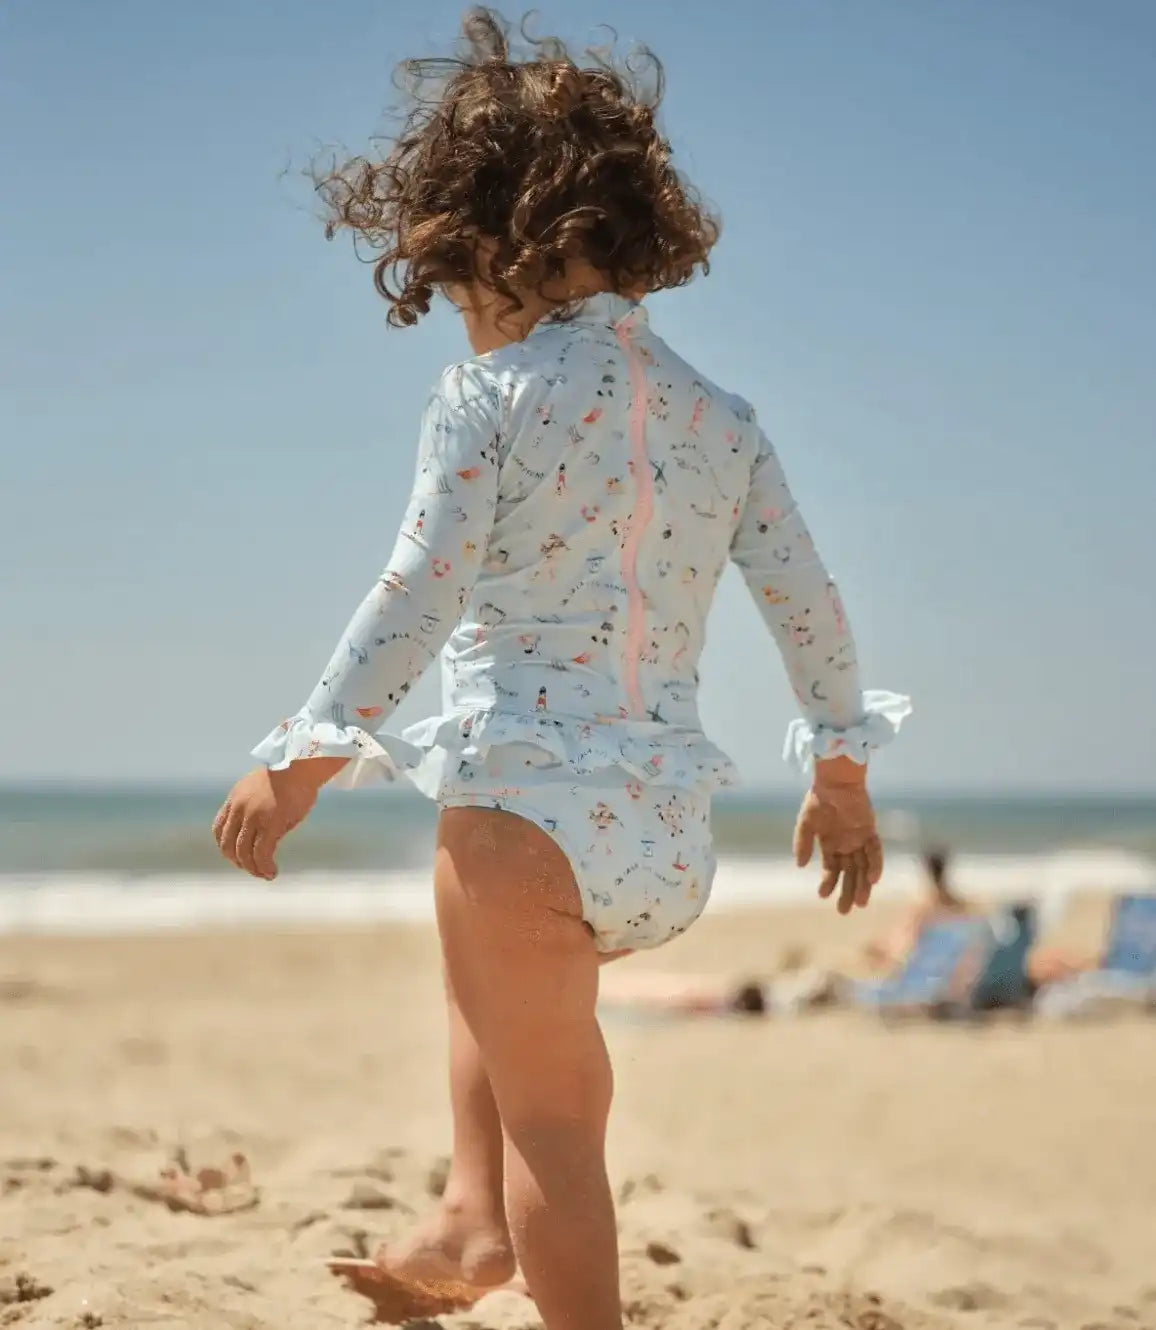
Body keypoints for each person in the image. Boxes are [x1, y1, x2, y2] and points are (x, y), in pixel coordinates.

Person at [211, 10, 911, 1329]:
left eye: (461, 289)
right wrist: (839, 769)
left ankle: (551, 1277)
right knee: (488, 966)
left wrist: (300, 758)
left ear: (496, 245)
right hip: (661, 833)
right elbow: (806, 601)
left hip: (527, 819)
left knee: (557, 1130)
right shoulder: (725, 419)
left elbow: (417, 591)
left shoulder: (493, 400)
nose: (463, 321)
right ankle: (472, 1218)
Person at [863, 846, 971, 972]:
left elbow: (912, 937)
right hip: (948, 954)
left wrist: (889, 949)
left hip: (925, 956)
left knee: (878, 948)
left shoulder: (926, 904)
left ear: (927, 870)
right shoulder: (956, 902)